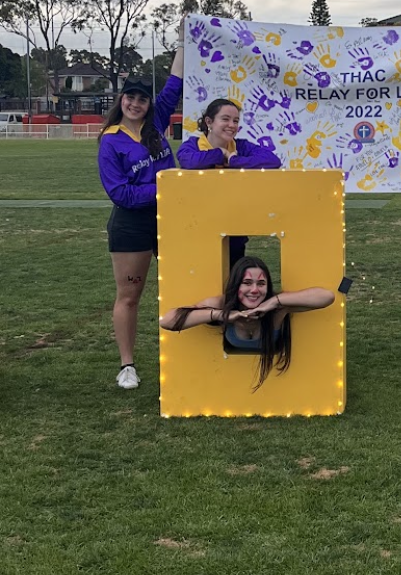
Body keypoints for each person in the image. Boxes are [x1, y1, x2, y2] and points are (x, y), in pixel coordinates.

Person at [97, 52, 183, 390]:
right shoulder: (110, 139)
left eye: (142, 98)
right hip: (131, 224)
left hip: (171, 218)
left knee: (183, 285)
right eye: (130, 97)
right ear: (121, 100)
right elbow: (120, 194)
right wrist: (165, 185)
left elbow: (174, 83)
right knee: (130, 295)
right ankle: (127, 365)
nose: (136, 103)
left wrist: (180, 43)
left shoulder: (157, 121)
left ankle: (186, 350)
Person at [159, 255, 335, 390]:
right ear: (236, 285)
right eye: (247, 283)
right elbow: (167, 321)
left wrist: (274, 302)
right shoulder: (222, 304)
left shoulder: (278, 308)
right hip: (225, 386)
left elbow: (326, 297)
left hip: (276, 387)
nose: (254, 290)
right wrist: (222, 316)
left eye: (261, 284)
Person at [175, 97, 281, 264]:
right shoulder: (193, 145)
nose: (232, 125)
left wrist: (234, 160)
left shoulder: (241, 146)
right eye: (225, 119)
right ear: (209, 121)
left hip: (234, 224)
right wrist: (220, 154)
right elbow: (188, 160)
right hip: (199, 225)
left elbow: (272, 160)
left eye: (236, 121)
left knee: (233, 278)